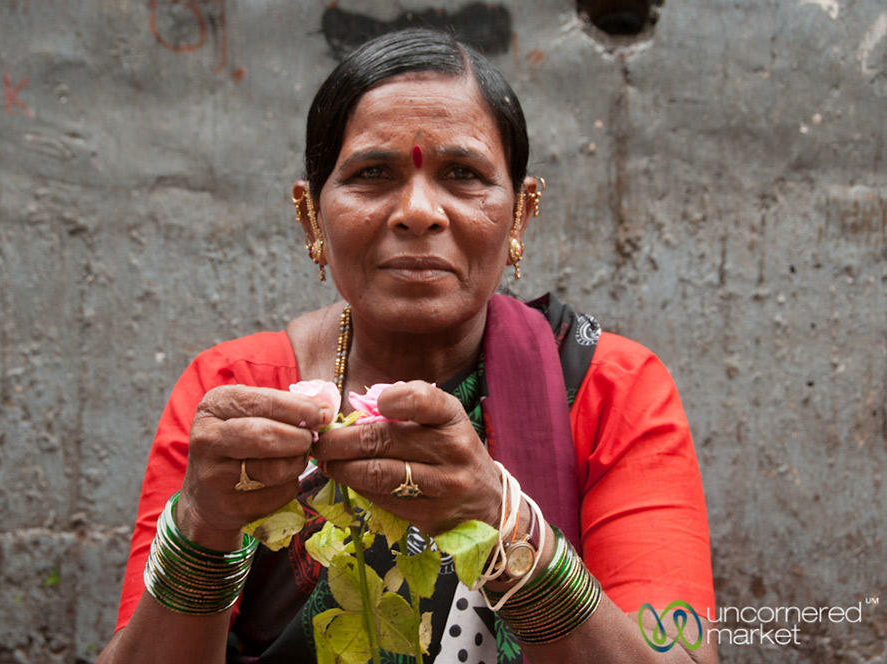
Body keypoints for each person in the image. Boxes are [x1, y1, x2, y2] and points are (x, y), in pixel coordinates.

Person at [96, 28, 716, 664]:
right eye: (372, 174)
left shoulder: (610, 388)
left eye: (463, 174)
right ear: (311, 217)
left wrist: (503, 526)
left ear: (520, 215)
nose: (419, 211)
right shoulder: (236, 393)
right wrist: (203, 528)